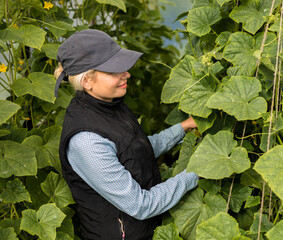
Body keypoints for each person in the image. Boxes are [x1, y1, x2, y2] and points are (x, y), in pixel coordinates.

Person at [54, 29, 199, 240]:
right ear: (87, 81)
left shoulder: (108, 104)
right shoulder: (86, 141)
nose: (127, 74)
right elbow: (140, 205)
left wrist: (183, 128)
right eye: (114, 70)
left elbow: (135, 150)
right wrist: (196, 172)